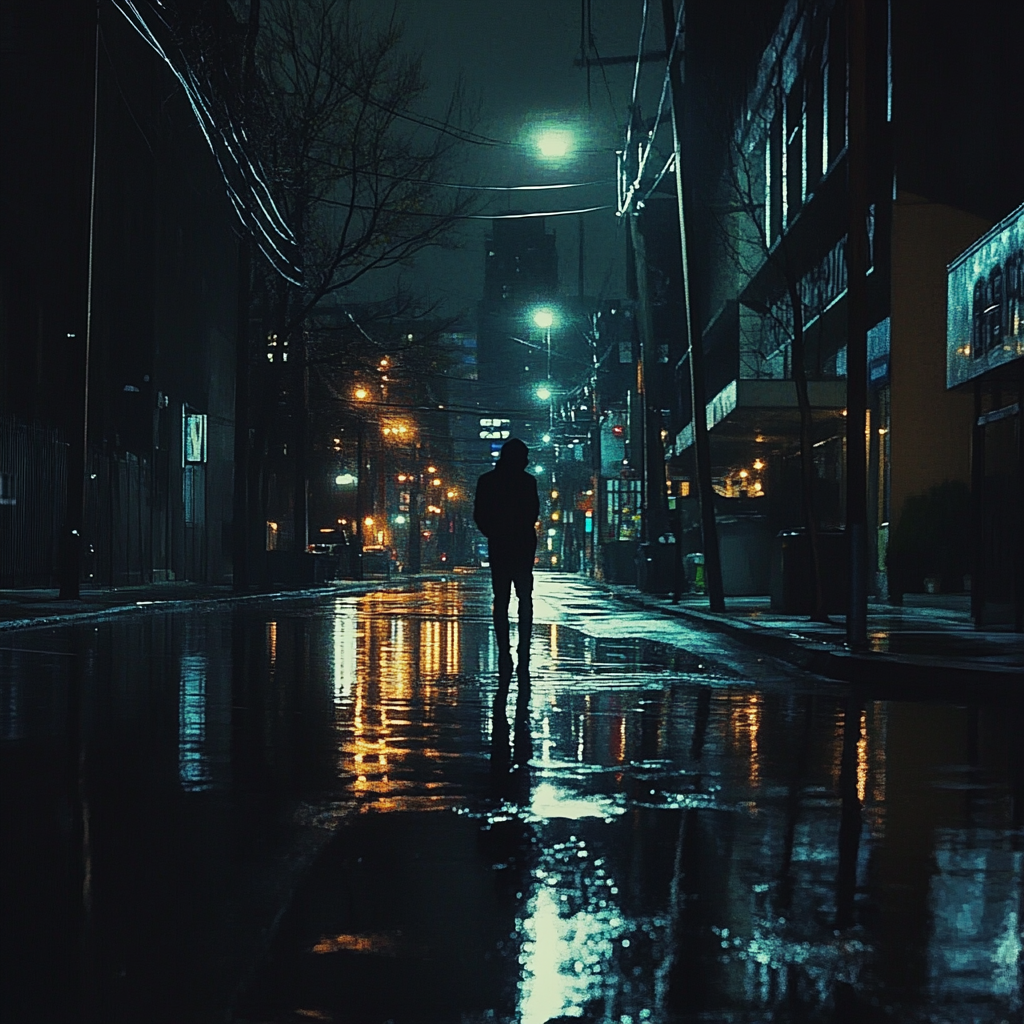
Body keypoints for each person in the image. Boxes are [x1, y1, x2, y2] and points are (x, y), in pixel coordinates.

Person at [473, 438, 539, 678]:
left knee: (501, 598)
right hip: (521, 544)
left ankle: (505, 650)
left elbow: (480, 514)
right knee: (524, 598)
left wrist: (494, 533)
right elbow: (533, 512)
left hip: (500, 544)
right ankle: (522, 648)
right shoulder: (527, 481)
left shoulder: (487, 481)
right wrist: (517, 530)